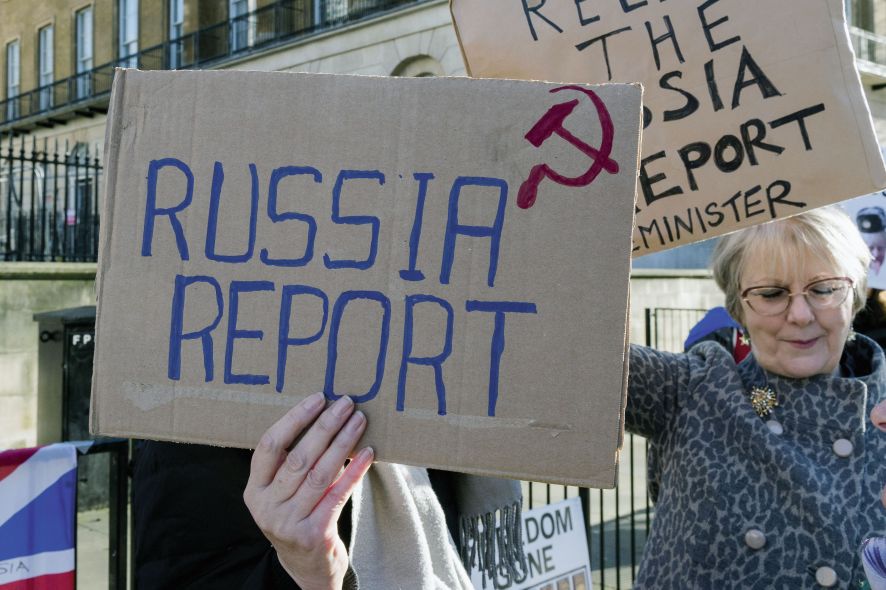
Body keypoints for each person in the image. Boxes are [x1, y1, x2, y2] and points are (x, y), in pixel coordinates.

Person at [626, 206, 886, 588]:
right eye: (771, 293)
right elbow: (557, 346)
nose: (800, 314)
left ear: (855, 296)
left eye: (824, 289)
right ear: (738, 307)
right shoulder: (690, 390)